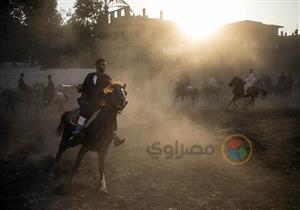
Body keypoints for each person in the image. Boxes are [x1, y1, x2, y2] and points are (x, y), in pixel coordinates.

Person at [73, 58, 125, 146]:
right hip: (89, 102)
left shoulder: (106, 77)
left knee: (112, 115)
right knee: (83, 112)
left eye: (104, 65)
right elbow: (84, 88)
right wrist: (80, 88)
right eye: (102, 65)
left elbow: (111, 89)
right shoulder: (89, 76)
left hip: (100, 103)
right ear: (97, 66)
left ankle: (115, 137)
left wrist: (107, 90)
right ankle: (78, 130)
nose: (104, 67)